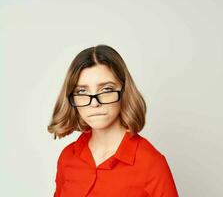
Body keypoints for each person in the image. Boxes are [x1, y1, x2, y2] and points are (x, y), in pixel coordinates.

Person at [47, 44, 179, 197]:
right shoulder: (68, 157)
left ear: (124, 91)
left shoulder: (151, 163)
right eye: (82, 91)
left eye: (106, 89)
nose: (94, 103)